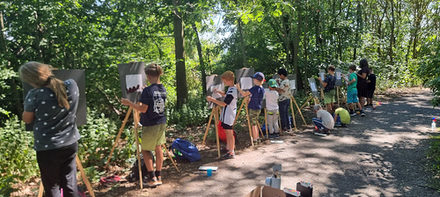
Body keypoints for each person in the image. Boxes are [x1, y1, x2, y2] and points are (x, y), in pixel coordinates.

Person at [20, 61, 80, 197]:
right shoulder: (71, 85)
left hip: (47, 148)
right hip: (70, 143)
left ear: (30, 80)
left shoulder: (34, 95)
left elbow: (27, 119)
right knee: (70, 183)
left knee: (52, 186)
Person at [121, 63, 167, 187]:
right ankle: (159, 175)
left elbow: (143, 109)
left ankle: (152, 178)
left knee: (146, 150)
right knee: (158, 148)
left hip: (150, 124)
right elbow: (153, 101)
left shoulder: (147, 90)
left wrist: (129, 103)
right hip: (161, 122)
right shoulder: (162, 88)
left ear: (147, 75)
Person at [207, 71, 238, 159]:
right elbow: (226, 96)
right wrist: (219, 92)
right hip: (226, 115)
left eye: (225, 81)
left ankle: (231, 152)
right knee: (228, 133)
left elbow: (224, 103)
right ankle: (229, 148)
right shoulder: (231, 88)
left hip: (229, 115)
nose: (224, 83)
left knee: (229, 133)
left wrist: (212, 99)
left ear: (229, 80)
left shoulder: (233, 90)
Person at [237, 72, 265, 144]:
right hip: (258, 108)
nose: (253, 80)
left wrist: (238, 88)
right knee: (255, 122)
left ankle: (255, 139)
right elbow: (255, 97)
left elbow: (243, 94)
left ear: (256, 80)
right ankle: (257, 138)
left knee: (253, 125)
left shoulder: (254, 88)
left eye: (254, 79)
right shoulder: (262, 88)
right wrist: (250, 98)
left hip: (253, 108)